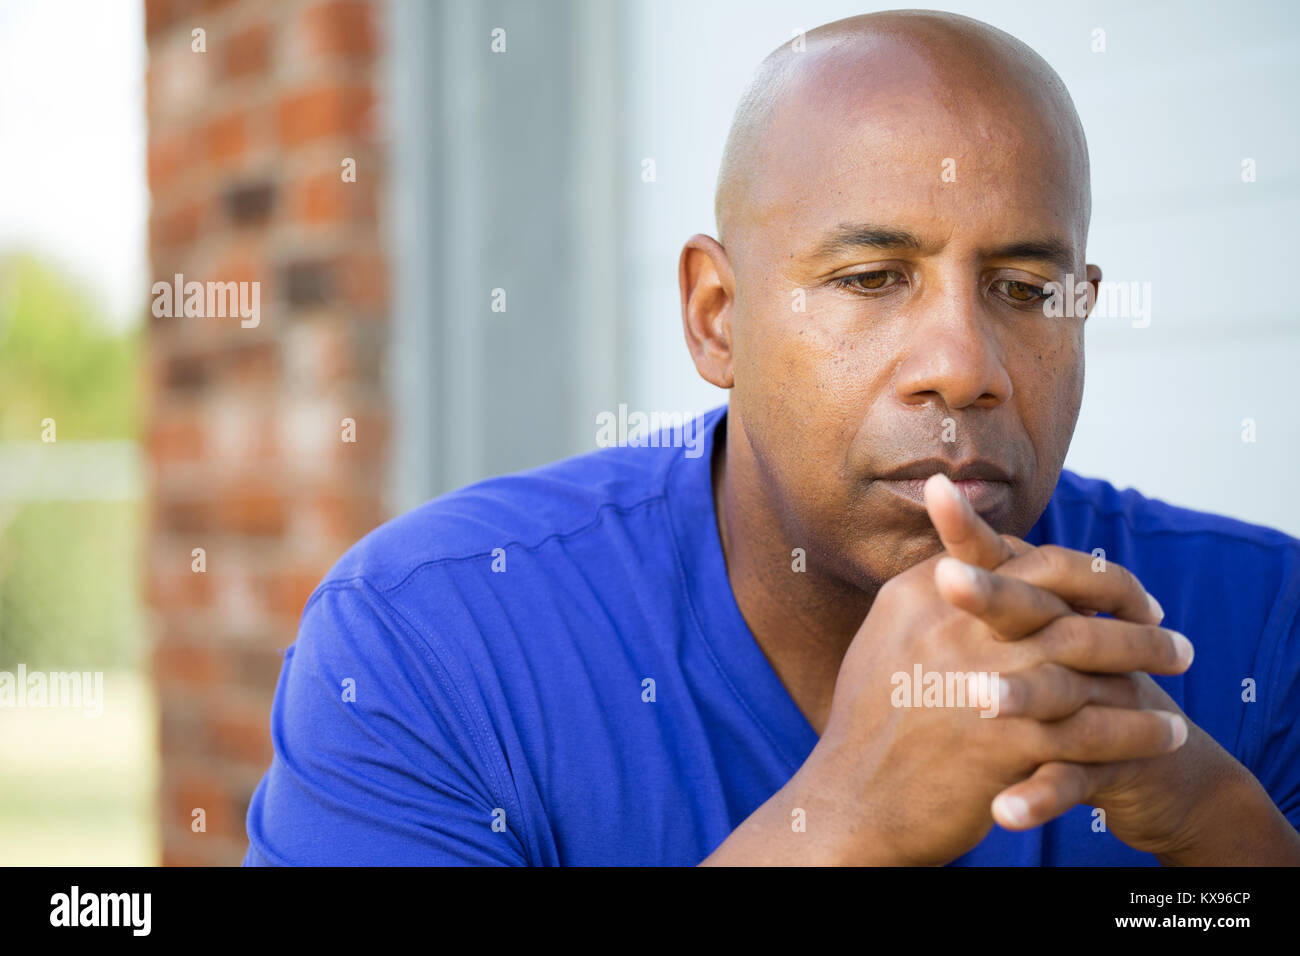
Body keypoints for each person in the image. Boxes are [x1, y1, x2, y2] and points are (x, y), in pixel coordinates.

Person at [243, 10, 1300, 866]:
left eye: (1024, 289)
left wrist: (1215, 821)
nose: (963, 364)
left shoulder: (1254, 627)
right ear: (716, 315)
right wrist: (844, 820)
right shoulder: (434, 637)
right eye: (871, 279)